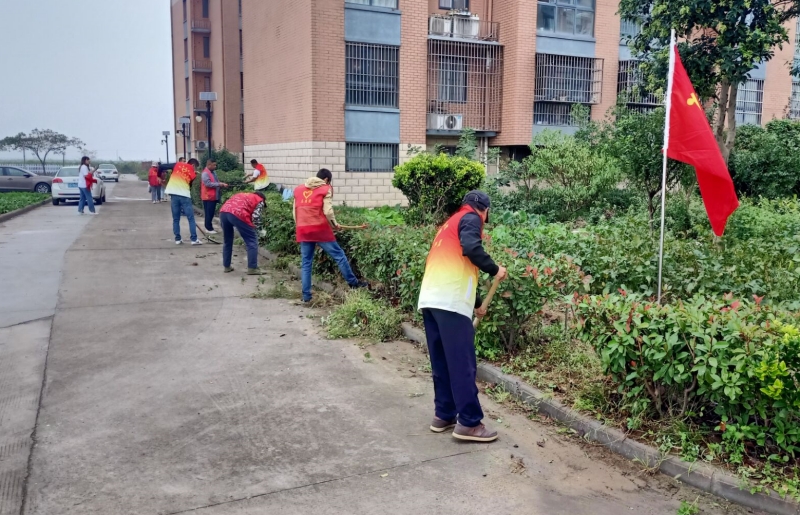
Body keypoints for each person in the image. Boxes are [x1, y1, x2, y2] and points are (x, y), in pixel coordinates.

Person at [418, 191, 508, 443]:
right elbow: (471, 248)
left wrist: (477, 304)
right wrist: (495, 269)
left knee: (442, 361)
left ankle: (444, 414)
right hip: (450, 302)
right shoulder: (471, 218)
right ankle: (469, 422)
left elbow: (459, 266)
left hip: (431, 300)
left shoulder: (449, 224)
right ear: (485, 211)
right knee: (461, 364)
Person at [293, 168, 366, 303]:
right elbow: (327, 211)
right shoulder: (326, 188)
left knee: (306, 263)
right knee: (339, 255)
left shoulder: (298, 189)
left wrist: (300, 227)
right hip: (319, 229)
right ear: (326, 179)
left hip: (302, 228)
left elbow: (295, 211)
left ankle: (306, 297)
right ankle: (354, 284)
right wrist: (334, 224)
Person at [220, 191, 266, 275]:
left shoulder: (242, 195)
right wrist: (258, 229)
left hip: (223, 212)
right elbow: (256, 217)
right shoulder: (260, 200)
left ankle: (227, 267)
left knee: (227, 241)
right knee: (252, 240)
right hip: (238, 213)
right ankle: (252, 268)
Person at [164, 158, 203, 245]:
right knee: (191, 218)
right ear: (193, 165)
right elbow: (189, 186)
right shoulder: (192, 171)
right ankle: (194, 239)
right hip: (184, 195)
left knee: (176, 219)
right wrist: (193, 174)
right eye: (195, 168)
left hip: (174, 194)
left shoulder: (177, 165)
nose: (195, 169)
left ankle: (177, 239)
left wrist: (159, 175)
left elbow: (162, 166)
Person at [200, 158, 228, 233]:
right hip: (208, 197)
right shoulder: (205, 173)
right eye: (214, 165)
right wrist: (219, 184)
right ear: (209, 165)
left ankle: (209, 227)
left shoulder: (213, 172)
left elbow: (216, 182)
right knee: (209, 213)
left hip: (213, 196)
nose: (215, 166)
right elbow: (208, 184)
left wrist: (222, 184)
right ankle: (209, 228)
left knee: (211, 213)